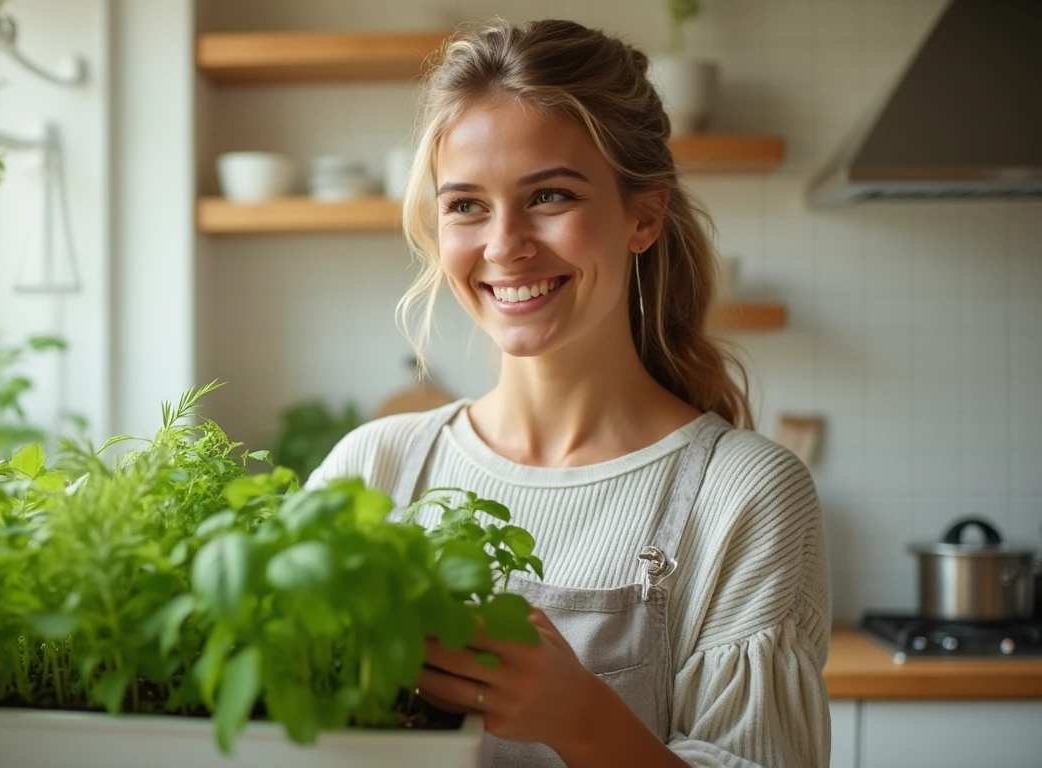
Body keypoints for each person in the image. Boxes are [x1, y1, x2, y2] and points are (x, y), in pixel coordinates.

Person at [305, 18, 831, 768]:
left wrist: (583, 718)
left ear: (643, 216)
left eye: (548, 195)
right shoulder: (376, 466)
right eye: (465, 205)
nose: (502, 245)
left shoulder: (746, 492)